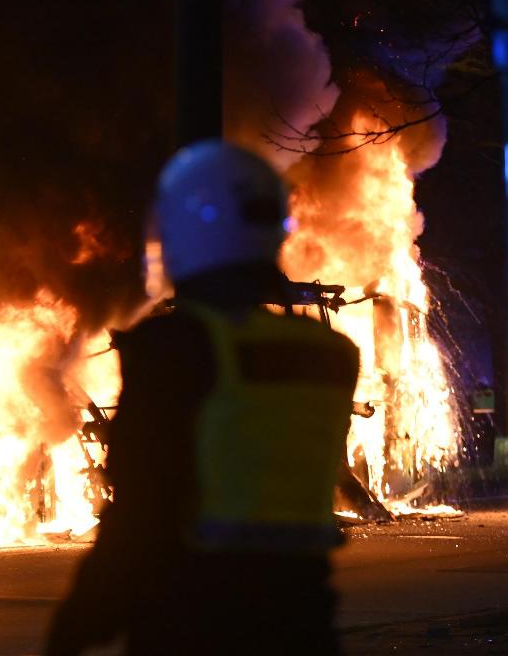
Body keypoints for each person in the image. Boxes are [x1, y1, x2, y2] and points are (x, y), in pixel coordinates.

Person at [46, 141, 360, 655]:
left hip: (195, 620)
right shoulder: (331, 356)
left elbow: (140, 513)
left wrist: (78, 627)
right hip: (302, 620)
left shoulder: (177, 350)